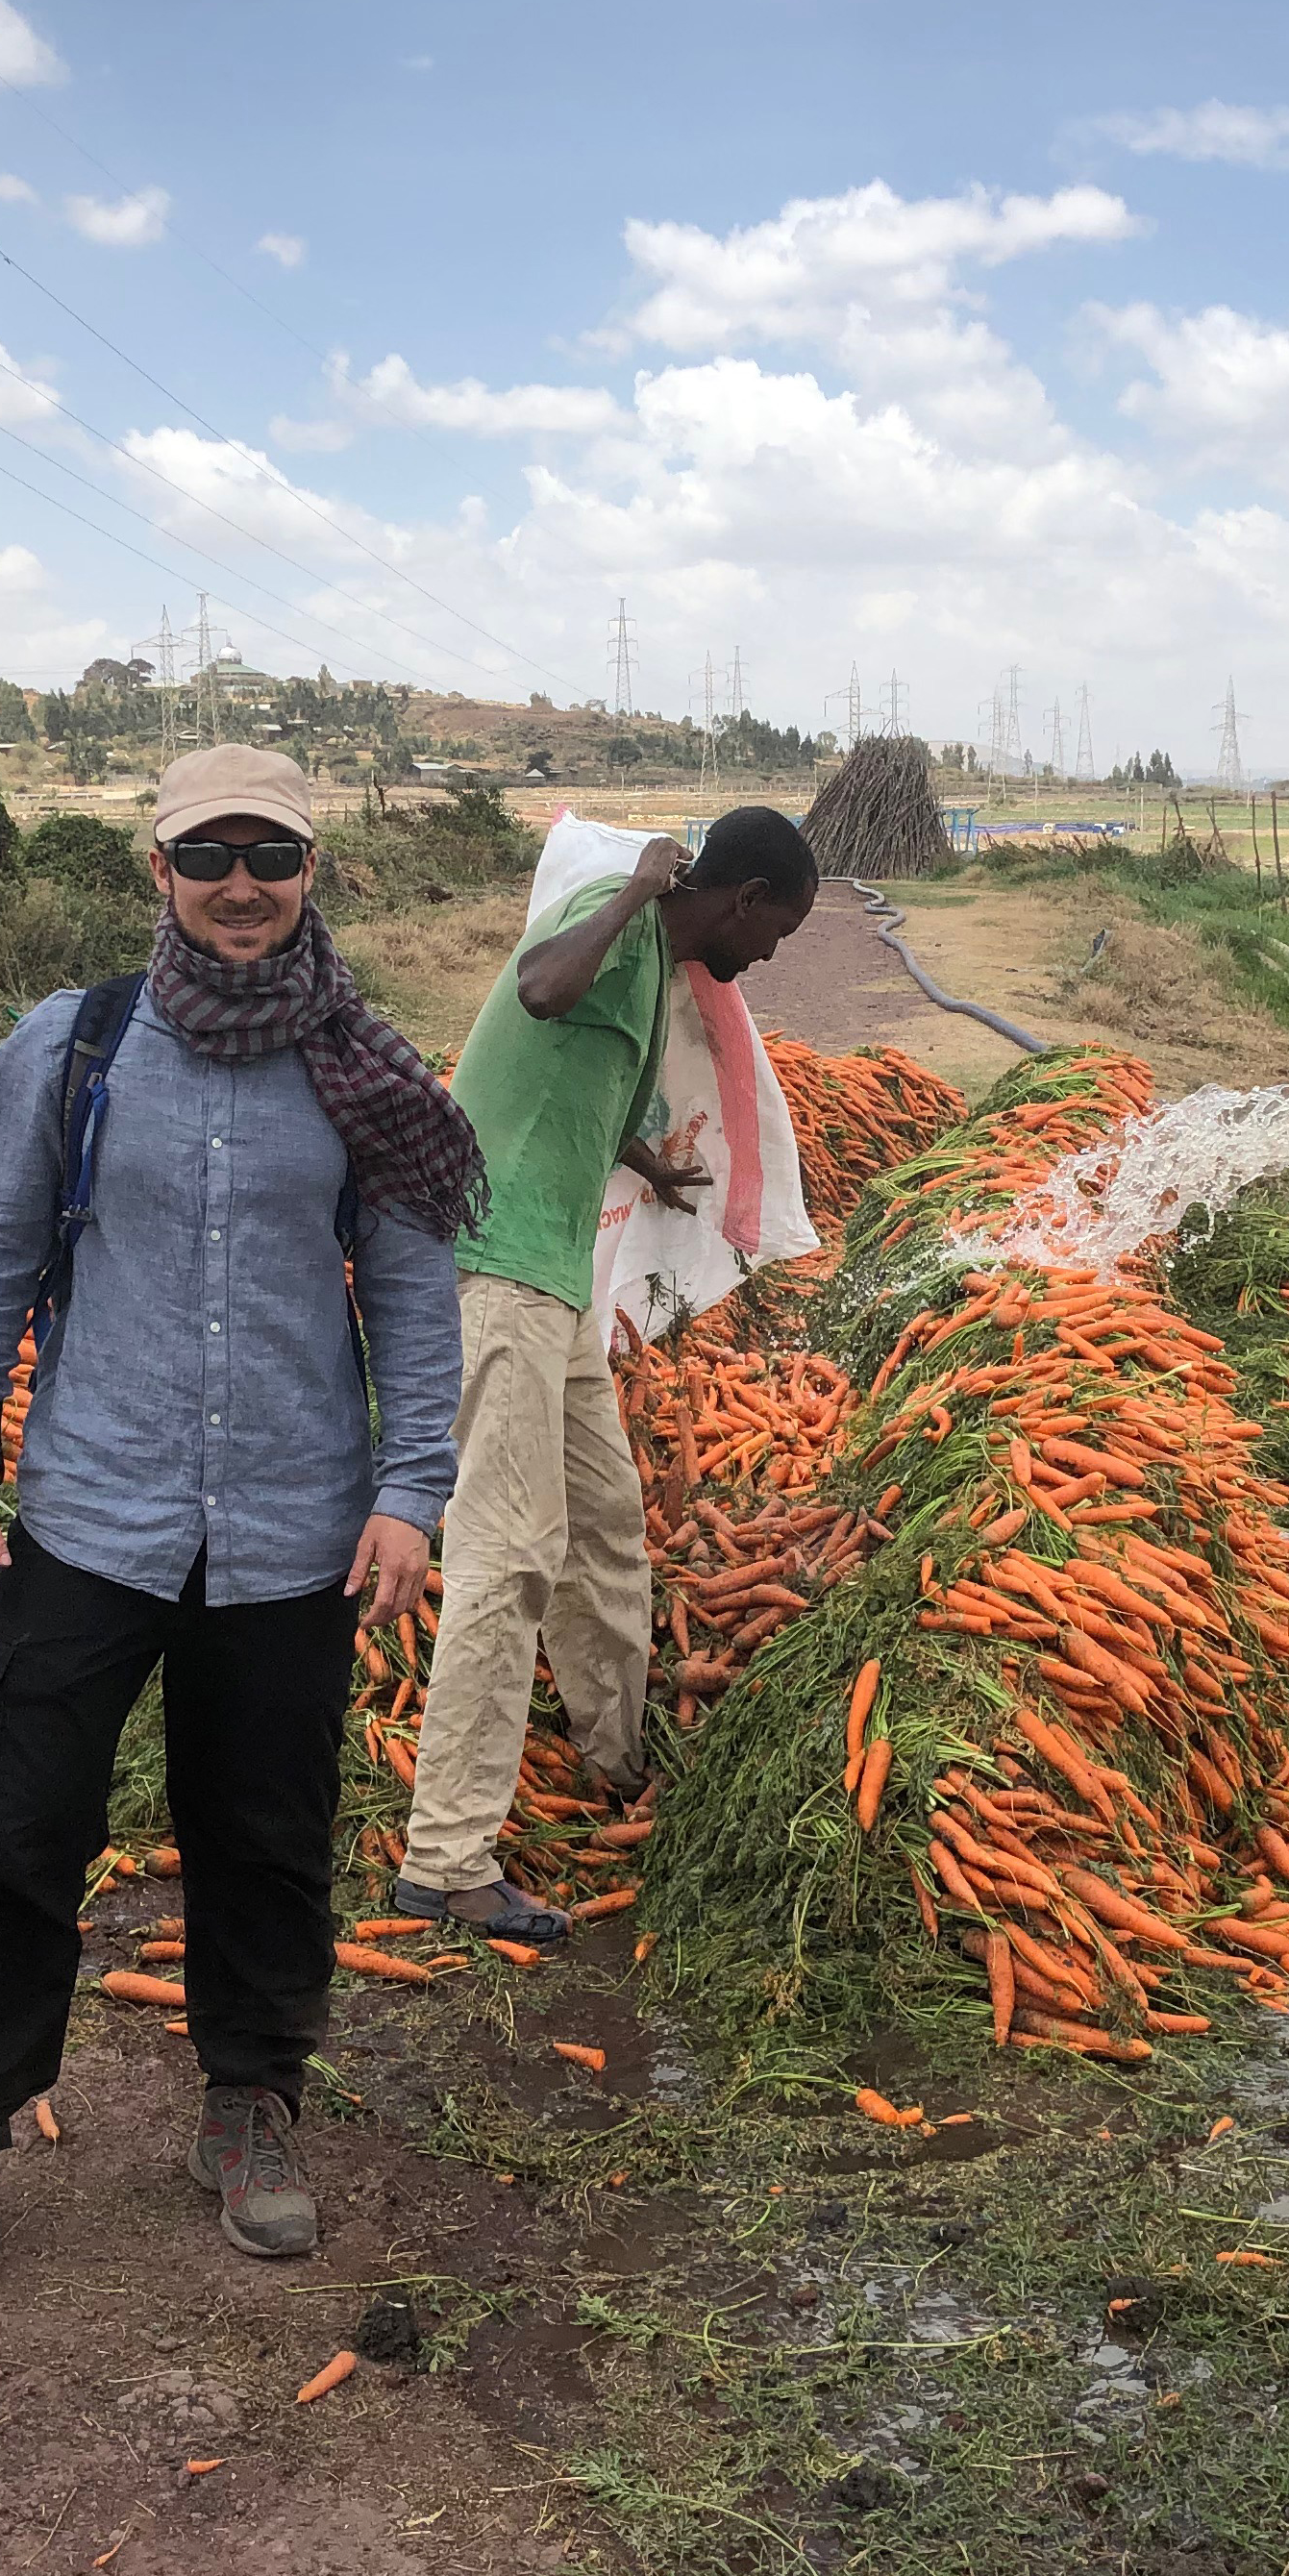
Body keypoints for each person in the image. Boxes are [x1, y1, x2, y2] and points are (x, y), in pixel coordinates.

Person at [0, 745, 478, 2323]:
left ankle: (250, 2102)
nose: (242, 880)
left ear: (312, 868)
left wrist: (410, 1491)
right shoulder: (72, 1046)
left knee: (264, 1831)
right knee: (12, 1831)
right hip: (89, 1511)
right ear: (158, 870)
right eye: (211, 853)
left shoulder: (362, 1069)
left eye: (272, 851)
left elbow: (409, 1292)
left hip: (288, 1521)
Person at [394, 806, 817, 1942]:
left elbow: (575, 1081)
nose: (772, 954)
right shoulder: (612, 925)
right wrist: (634, 888)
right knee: (509, 1547)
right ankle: (445, 1859)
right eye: (778, 928)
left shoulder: (654, 979)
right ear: (742, 898)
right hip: (492, 1266)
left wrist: (648, 1165)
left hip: (555, 1270)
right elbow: (540, 992)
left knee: (607, 1522)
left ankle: (614, 1762)